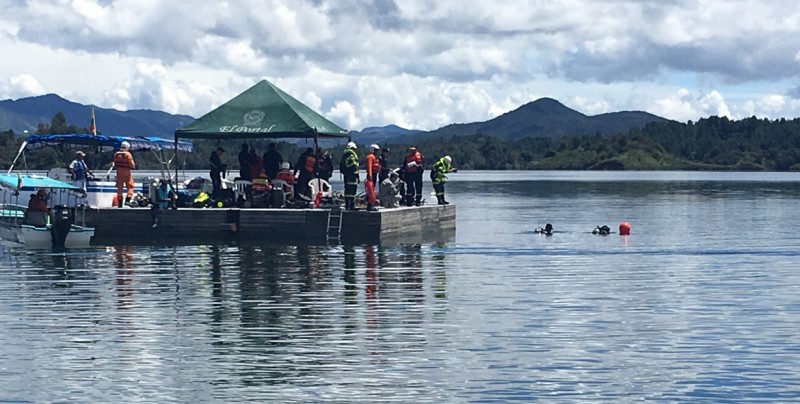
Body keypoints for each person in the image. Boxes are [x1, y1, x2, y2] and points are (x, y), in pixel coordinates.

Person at [113, 141, 136, 208]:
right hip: (126, 172)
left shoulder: (116, 154)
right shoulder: (128, 154)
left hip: (118, 173)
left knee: (119, 188)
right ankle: (127, 201)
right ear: (127, 147)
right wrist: (132, 167)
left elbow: (115, 164)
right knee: (130, 186)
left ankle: (120, 203)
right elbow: (132, 165)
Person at [339, 141, 359, 210]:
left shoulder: (345, 155)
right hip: (351, 175)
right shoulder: (350, 155)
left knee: (348, 190)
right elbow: (353, 165)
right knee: (351, 190)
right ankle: (350, 205)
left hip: (347, 175)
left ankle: (348, 205)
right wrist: (356, 174)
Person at [364, 144, 381, 211]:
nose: (377, 152)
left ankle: (371, 204)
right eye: (376, 150)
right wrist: (370, 175)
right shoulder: (370, 157)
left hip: (374, 175)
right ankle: (370, 205)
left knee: (372, 190)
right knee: (371, 191)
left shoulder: (373, 157)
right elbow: (369, 166)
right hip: (371, 175)